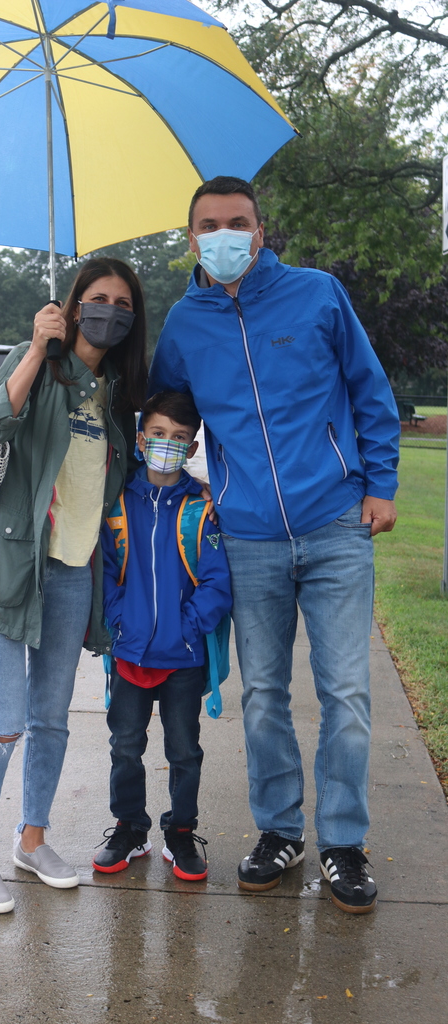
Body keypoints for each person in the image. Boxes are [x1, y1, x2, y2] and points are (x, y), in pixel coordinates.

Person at [148, 176, 400, 914]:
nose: (223, 236)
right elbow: (167, 414)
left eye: (237, 223)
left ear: (259, 231)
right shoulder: (184, 323)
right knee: (261, 696)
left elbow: (369, 391)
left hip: (334, 526)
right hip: (247, 536)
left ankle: (343, 843)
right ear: (189, 235)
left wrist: (377, 484)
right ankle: (279, 832)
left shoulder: (316, 294)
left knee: (344, 694)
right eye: (207, 225)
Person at [0, 257, 148, 914]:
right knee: (3, 723)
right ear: (73, 305)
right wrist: (39, 349)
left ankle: (31, 840)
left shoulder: (115, 394)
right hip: (8, 572)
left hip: (72, 577)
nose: (111, 311)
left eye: (123, 304)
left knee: (51, 721)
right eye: (98, 298)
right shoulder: (35, 361)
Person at [93, 391, 232, 881]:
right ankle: (130, 827)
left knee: (183, 750)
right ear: (140, 438)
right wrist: (120, 622)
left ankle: (180, 831)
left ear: (192, 448)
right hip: (129, 653)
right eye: (158, 434)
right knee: (125, 744)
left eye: (179, 438)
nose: (167, 444)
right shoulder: (117, 503)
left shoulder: (202, 509)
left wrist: (188, 627)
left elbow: (217, 582)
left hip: (184, 658)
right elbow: (107, 572)